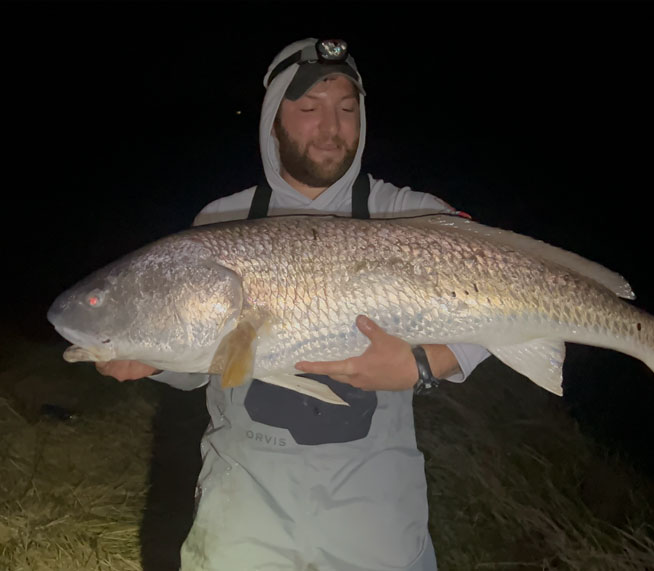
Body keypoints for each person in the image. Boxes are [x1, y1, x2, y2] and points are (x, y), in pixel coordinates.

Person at [96, 38, 489, 571]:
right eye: (309, 109)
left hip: (375, 511)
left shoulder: (409, 215)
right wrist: (152, 357)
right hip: (244, 504)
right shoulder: (221, 222)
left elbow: (507, 300)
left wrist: (423, 363)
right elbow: (198, 365)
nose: (332, 128)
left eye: (347, 110)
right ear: (273, 121)